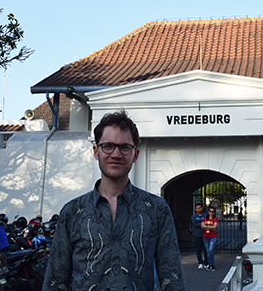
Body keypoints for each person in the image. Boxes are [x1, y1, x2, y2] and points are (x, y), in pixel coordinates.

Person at [43, 110, 185, 291]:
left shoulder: (157, 210)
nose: (116, 154)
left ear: (135, 154)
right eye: (108, 146)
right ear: (96, 151)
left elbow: (172, 279)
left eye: (125, 147)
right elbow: (56, 281)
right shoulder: (72, 212)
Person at [191, 203, 208, 270]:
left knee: (206, 249)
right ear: (195, 209)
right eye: (197, 208)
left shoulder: (205, 215)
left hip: (205, 234)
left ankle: (206, 262)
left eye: (199, 208)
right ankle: (200, 262)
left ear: (202, 208)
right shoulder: (194, 216)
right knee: (198, 249)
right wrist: (202, 224)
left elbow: (207, 222)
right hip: (197, 234)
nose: (198, 209)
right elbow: (194, 224)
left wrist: (202, 224)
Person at [202, 207, 218, 272]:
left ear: (214, 213)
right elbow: (202, 226)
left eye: (212, 211)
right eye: (210, 211)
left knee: (211, 249)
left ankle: (212, 263)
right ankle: (209, 264)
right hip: (205, 236)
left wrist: (206, 226)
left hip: (213, 236)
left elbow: (214, 227)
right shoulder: (204, 218)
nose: (211, 212)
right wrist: (210, 227)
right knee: (208, 251)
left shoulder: (215, 219)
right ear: (208, 211)